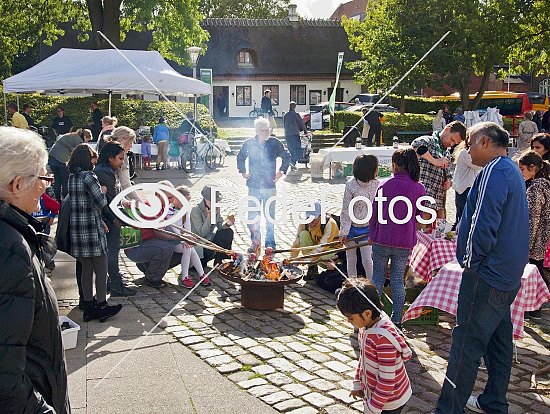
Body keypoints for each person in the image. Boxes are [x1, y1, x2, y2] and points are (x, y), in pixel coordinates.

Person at [435, 122, 529, 414]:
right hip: (506, 274)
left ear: (485, 142)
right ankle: (494, 401)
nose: (467, 148)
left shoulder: (494, 171)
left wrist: (470, 265)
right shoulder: (511, 169)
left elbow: (481, 224)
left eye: (471, 142)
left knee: (465, 346)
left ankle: (449, 409)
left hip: (488, 275)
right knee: (499, 342)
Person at [0, 127, 70, 413]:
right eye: (43, 177)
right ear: (17, 185)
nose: (46, 186)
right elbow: (6, 375)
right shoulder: (10, 249)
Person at [337, 278, 412, 414]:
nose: (348, 321)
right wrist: (358, 382)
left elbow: (387, 380)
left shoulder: (382, 340)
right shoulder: (366, 327)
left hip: (391, 400)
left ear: (367, 313)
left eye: (351, 318)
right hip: (378, 396)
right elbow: (364, 358)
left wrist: (373, 408)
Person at [369, 149, 426, 329]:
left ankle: (373, 317)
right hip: (403, 241)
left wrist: (372, 234)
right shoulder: (419, 188)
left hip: (382, 239)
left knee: (377, 279)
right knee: (397, 281)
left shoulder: (384, 185)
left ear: (395, 164)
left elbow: (374, 214)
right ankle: (397, 320)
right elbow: (418, 216)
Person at [68, 144, 123, 322]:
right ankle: (102, 306)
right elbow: (100, 202)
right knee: (101, 268)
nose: (94, 160)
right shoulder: (89, 176)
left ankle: (88, 306)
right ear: (87, 159)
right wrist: (103, 191)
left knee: (86, 269)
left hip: (77, 229)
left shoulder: (72, 177)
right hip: (92, 228)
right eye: (92, 157)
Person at [237, 117, 290, 250]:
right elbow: (240, 157)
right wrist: (243, 171)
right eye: (264, 131)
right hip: (253, 186)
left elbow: (286, 156)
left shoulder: (274, 143)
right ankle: (255, 243)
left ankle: (270, 244)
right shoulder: (249, 143)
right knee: (253, 217)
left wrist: (281, 171)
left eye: (268, 130)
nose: (267, 133)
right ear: (257, 131)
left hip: (269, 186)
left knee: (270, 217)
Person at [95, 141, 136, 297]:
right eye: (120, 158)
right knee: (112, 251)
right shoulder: (104, 172)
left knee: (110, 251)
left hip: (109, 216)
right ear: (110, 158)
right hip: (109, 218)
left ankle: (111, 282)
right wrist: (119, 219)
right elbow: (109, 200)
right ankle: (115, 284)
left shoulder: (105, 170)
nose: (122, 162)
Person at [124, 180, 184, 288]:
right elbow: (160, 234)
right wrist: (181, 237)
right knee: (167, 247)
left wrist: (183, 238)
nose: (171, 201)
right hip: (136, 247)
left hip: (148, 243)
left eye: (172, 198)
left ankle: (147, 267)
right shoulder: (151, 207)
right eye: (169, 198)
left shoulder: (162, 207)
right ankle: (152, 278)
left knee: (181, 249)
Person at [518, 150, 550, 319]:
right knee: (537, 269)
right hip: (543, 237)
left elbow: (533, 218)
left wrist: (527, 243)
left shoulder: (535, 188)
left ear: (532, 167)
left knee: (534, 270)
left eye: (522, 169)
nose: (521, 174)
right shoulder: (545, 184)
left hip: (536, 238)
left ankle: (537, 305)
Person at [411, 121, 466, 219]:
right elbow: (416, 146)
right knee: (419, 232)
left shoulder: (447, 153)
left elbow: (448, 173)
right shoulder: (428, 141)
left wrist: (448, 182)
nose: (451, 144)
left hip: (438, 202)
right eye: (452, 139)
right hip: (423, 200)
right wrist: (435, 161)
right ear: (447, 129)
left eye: (455, 143)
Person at [339, 154, 380, 279]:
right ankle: (352, 285)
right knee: (351, 260)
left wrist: (376, 230)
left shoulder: (377, 184)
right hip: (351, 228)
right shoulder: (350, 185)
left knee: (367, 260)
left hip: (367, 228)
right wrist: (344, 232)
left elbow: (380, 209)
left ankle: (372, 287)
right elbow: (346, 209)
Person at [170, 186, 210, 288]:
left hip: (182, 238)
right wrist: (184, 240)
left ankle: (201, 275)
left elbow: (187, 227)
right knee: (187, 248)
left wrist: (188, 237)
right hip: (172, 239)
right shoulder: (170, 210)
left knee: (190, 248)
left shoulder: (184, 210)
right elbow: (173, 227)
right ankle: (185, 277)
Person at [290, 202, 340, 279]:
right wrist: (291, 261)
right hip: (317, 247)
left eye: (313, 219)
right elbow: (296, 244)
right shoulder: (304, 223)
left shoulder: (329, 224)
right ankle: (312, 269)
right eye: (308, 218)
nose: (310, 221)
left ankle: (334, 271)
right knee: (303, 235)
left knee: (320, 257)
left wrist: (301, 260)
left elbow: (321, 248)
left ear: (320, 216)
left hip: (332, 250)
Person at [190, 185, 234, 268]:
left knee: (227, 232)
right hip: (200, 242)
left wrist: (227, 224)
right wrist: (209, 217)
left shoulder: (216, 208)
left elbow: (220, 225)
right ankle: (201, 261)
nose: (216, 203)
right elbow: (201, 233)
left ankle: (218, 259)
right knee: (203, 262)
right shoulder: (196, 210)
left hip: (210, 239)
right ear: (207, 200)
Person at [48, 128, 92, 201]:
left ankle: (57, 200)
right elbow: (80, 155)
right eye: (88, 139)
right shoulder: (79, 141)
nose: (87, 142)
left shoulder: (71, 135)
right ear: (85, 137)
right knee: (65, 181)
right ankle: (66, 200)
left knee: (57, 181)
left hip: (52, 157)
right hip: (61, 160)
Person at [451, 140, 482, 230]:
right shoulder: (465, 153)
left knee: (465, 215)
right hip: (464, 188)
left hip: (468, 187)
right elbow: (477, 165)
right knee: (462, 215)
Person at [112, 126, 143, 203]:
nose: (131, 146)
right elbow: (125, 184)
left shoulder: (105, 149)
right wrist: (139, 202)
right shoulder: (122, 156)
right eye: (130, 143)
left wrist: (123, 200)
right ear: (121, 139)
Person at [283, 101, 307, 171]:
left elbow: (284, 125)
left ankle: (292, 166)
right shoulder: (296, 115)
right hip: (295, 134)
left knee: (291, 150)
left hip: (288, 134)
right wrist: (305, 132)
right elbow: (301, 123)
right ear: (295, 107)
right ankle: (292, 162)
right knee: (298, 149)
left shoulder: (286, 115)